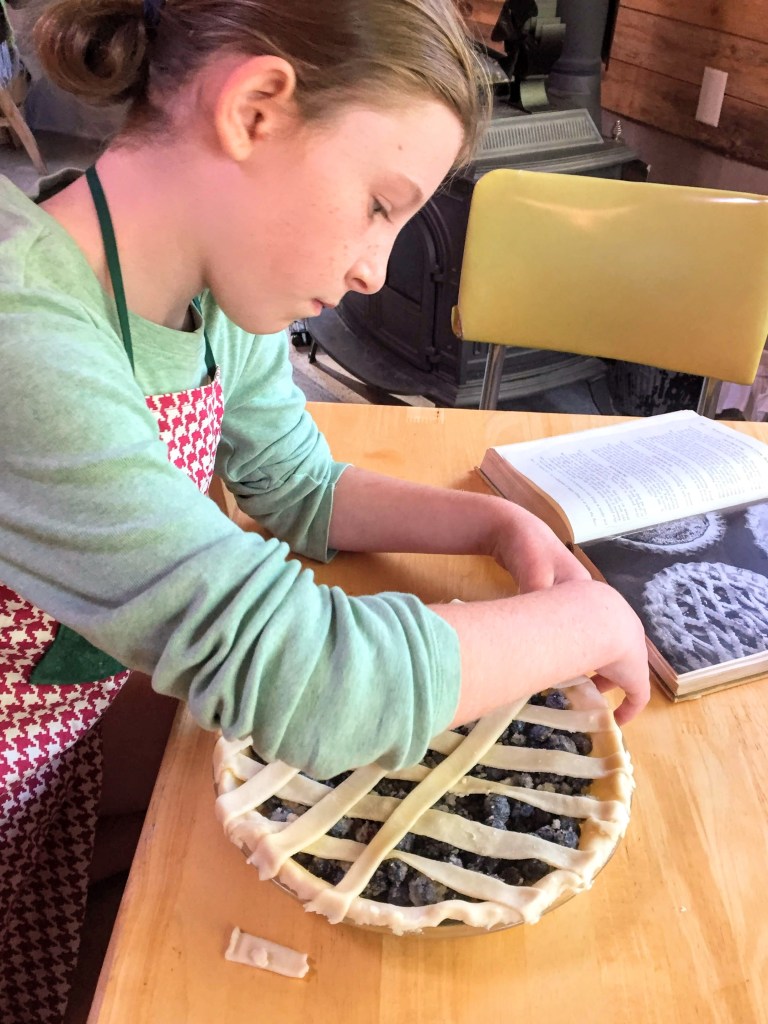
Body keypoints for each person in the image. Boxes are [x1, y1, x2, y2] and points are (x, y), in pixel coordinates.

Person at [0, 0, 650, 1020]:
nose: (375, 270)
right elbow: (303, 676)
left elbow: (297, 483)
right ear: (256, 108)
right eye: (379, 205)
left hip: (52, 768)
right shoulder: (23, 334)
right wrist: (596, 619)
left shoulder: (215, 289)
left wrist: (495, 525)